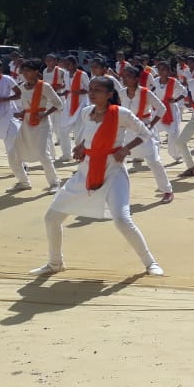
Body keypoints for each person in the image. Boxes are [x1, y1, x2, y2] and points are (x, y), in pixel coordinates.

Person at [31, 76, 164, 277]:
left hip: (113, 171)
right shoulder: (86, 112)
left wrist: (125, 148)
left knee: (121, 219)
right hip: (86, 170)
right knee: (52, 218)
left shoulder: (121, 114)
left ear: (110, 94)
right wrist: (81, 146)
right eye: (91, 89)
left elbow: (145, 134)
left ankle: (150, 262)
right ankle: (54, 262)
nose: (92, 93)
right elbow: (90, 136)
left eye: (98, 90)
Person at [120, 66, 174, 204]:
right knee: (119, 162)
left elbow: (162, 108)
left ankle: (167, 190)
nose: (125, 79)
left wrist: (151, 124)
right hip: (127, 130)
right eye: (124, 76)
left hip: (144, 128)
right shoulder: (121, 93)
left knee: (153, 160)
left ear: (137, 79)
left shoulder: (146, 93)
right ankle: (117, 194)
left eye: (129, 76)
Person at [11, 60, 64, 193]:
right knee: (14, 153)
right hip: (26, 122)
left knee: (42, 153)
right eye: (23, 71)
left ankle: (54, 183)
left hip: (42, 123)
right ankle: (23, 181)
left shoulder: (44, 86)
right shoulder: (22, 87)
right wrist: (22, 112)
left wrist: (44, 114)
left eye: (28, 70)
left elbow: (58, 104)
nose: (25, 73)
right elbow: (27, 106)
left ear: (36, 72)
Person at [55, 55, 88, 162]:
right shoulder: (65, 75)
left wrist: (78, 92)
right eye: (65, 64)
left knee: (78, 132)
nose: (67, 66)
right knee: (62, 130)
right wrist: (64, 92)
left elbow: (89, 89)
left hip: (80, 105)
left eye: (68, 64)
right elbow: (67, 87)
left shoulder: (82, 74)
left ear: (74, 64)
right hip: (68, 104)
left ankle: (80, 154)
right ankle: (66, 154)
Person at [153, 61, 186, 162]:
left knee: (174, 133)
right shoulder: (155, 81)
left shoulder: (173, 81)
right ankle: (155, 156)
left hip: (171, 109)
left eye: (163, 69)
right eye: (159, 70)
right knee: (154, 133)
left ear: (168, 71)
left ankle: (175, 155)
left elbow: (184, 91)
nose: (161, 72)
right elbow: (150, 92)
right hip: (158, 110)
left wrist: (176, 100)